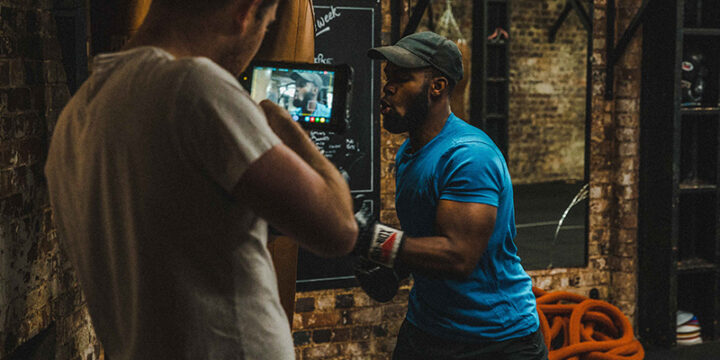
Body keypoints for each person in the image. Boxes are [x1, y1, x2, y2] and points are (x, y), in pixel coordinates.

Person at [43, 1, 358, 359]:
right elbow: (339, 228)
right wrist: (282, 123)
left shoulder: (76, 116)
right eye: (265, 27)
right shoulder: (195, 88)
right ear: (245, 12)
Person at [353, 31, 547, 359]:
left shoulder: (469, 156)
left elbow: (459, 255)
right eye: (388, 77)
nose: (387, 86)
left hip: (495, 339)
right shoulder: (409, 153)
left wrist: (373, 240)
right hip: (428, 326)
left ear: (437, 87)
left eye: (401, 78)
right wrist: (395, 267)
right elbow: (429, 236)